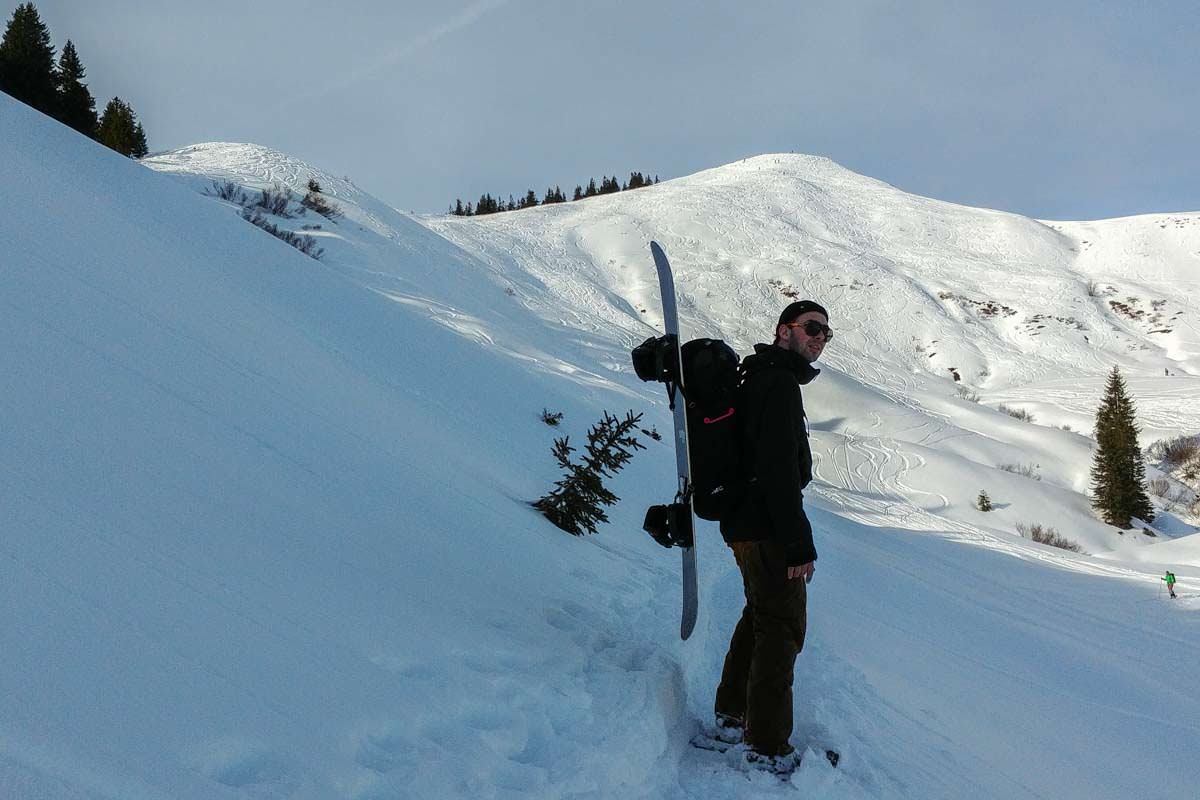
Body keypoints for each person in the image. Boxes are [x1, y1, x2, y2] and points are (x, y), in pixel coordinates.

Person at [712, 299, 830, 770]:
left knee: (760, 617)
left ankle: (731, 715)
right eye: (811, 328)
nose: (819, 337)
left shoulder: (759, 375)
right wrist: (798, 542)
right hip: (766, 525)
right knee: (782, 629)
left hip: (745, 523)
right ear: (785, 331)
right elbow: (778, 469)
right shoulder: (778, 383)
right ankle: (765, 747)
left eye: (825, 332)